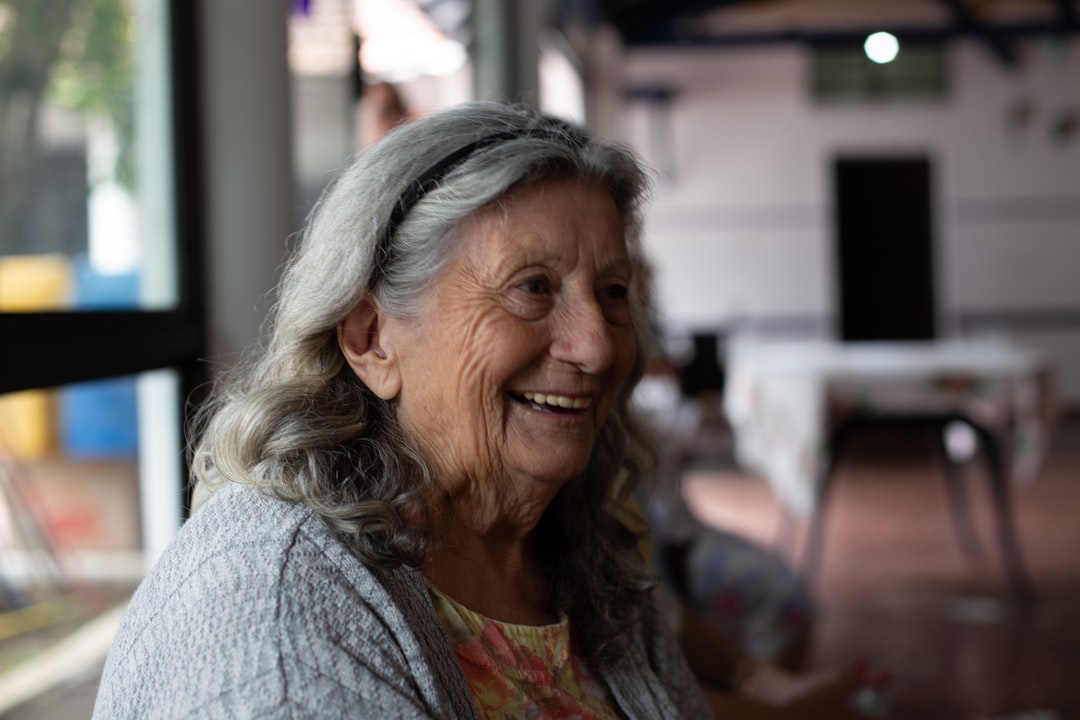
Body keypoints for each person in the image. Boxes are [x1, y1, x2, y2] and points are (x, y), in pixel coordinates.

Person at [92, 102, 711, 719]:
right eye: (532, 287)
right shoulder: (274, 606)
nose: (598, 345)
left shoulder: (577, 543)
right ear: (372, 339)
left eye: (612, 293)